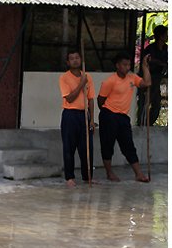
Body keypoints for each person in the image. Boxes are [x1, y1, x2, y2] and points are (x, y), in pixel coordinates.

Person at [98, 51, 151, 183]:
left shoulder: (132, 78)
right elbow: (100, 100)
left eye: (128, 65)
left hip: (123, 117)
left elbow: (147, 83)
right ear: (117, 65)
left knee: (128, 145)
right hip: (108, 115)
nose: (127, 67)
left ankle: (138, 174)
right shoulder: (110, 81)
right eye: (124, 64)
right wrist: (109, 113)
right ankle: (109, 173)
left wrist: (144, 66)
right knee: (107, 145)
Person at [58, 49, 95, 188]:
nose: (75, 60)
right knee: (69, 147)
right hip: (70, 114)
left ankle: (87, 176)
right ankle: (70, 177)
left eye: (77, 57)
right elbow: (70, 98)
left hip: (84, 114)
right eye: (72, 58)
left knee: (87, 147)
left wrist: (91, 119)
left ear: (81, 60)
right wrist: (81, 83)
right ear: (68, 62)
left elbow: (91, 99)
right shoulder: (64, 78)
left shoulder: (88, 77)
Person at [137, 25, 168, 126]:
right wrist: (162, 63)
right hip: (148, 78)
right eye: (166, 34)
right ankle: (141, 124)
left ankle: (148, 124)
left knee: (156, 105)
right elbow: (148, 60)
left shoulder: (166, 48)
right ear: (161, 36)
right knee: (145, 103)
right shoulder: (151, 48)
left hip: (158, 78)